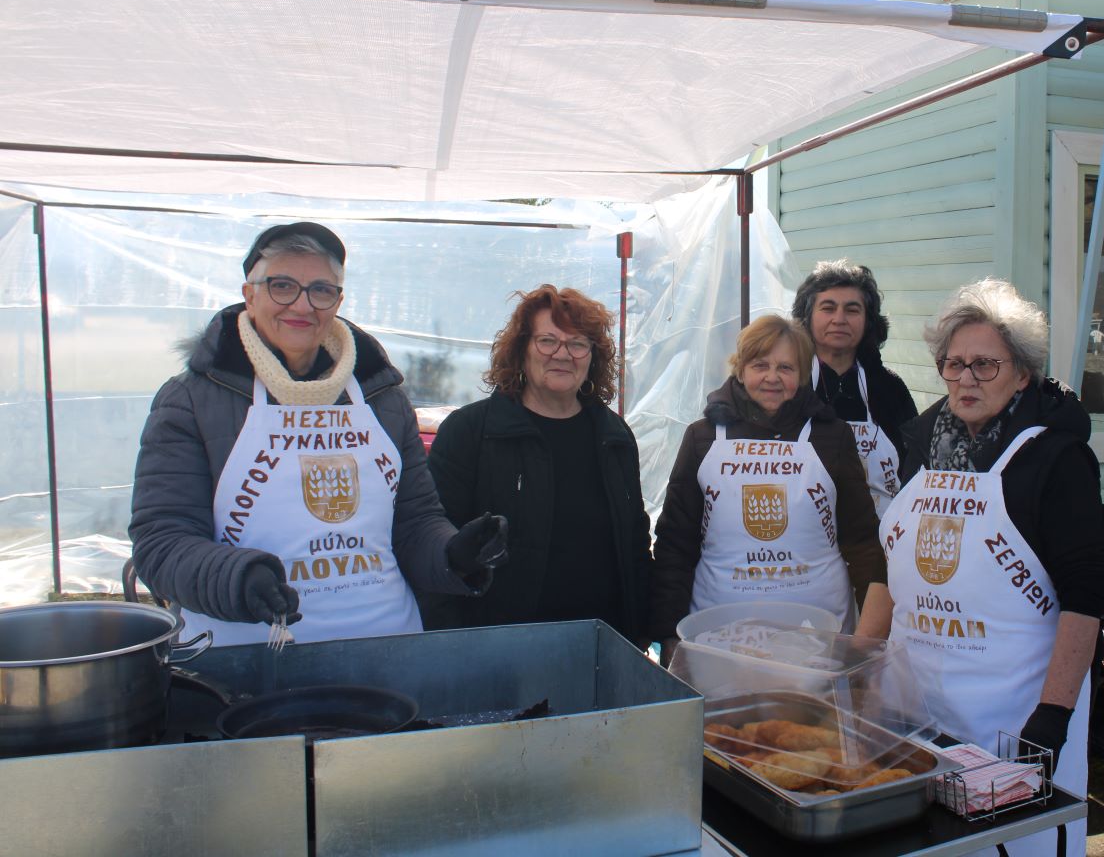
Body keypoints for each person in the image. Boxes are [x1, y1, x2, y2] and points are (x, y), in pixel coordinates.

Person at [130, 223, 504, 646]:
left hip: (386, 646)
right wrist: (238, 578)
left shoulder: (381, 396)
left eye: (321, 290)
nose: (302, 305)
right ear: (249, 294)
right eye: (282, 286)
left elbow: (414, 522)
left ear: (337, 302)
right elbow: (161, 540)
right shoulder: (192, 400)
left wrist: (452, 554)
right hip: (245, 656)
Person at [858, 278, 1104, 857]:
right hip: (916, 710)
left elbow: (1085, 593)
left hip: (1011, 720)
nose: (966, 379)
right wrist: (859, 665)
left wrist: (1053, 714)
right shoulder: (921, 442)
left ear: (1022, 374)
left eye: (985, 365)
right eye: (954, 364)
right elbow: (888, 562)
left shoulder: (1056, 458)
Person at [417, 285, 651, 647]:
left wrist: (641, 634)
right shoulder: (471, 433)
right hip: (502, 651)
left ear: (593, 357)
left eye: (577, 344)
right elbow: (434, 550)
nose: (563, 354)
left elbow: (634, 541)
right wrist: (451, 649)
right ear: (522, 349)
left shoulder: (614, 435)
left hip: (602, 646)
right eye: (547, 341)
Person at [650, 315, 889, 657]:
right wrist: (667, 633)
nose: (772, 377)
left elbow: (861, 539)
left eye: (786, 368)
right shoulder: (702, 437)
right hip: (718, 638)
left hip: (818, 637)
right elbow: (676, 542)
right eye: (760, 365)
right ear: (740, 370)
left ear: (802, 375)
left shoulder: (831, 436)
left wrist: (869, 639)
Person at [792, 260, 918, 515]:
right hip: (803, 527)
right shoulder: (789, 384)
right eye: (828, 308)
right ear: (807, 317)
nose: (839, 319)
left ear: (868, 320)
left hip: (879, 528)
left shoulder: (890, 388)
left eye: (852, 310)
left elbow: (914, 466)